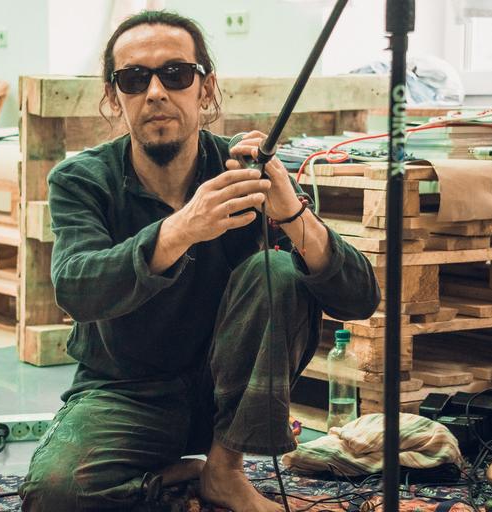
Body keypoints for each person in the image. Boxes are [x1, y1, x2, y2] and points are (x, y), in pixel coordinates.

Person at [19, 10, 380, 512]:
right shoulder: (81, 179)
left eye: (175, 74)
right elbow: (76, 288)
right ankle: (180, 478)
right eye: (134, 78)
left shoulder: (243, 172)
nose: (155, 92)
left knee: (279, 271)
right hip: (126, 393)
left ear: (205, 89)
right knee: (54, 495)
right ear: (114, 96)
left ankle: (225, 469)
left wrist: (293, 215)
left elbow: (360, 299)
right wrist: (182, 228)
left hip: (228, 397)